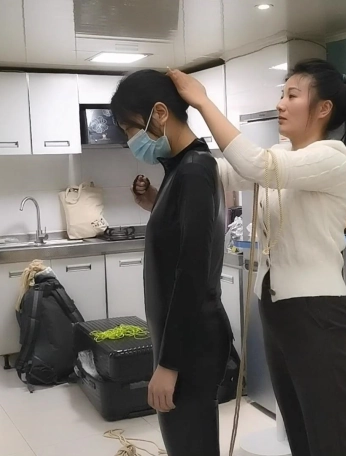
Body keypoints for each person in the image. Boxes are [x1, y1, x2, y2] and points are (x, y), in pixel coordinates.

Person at [165, 59, 346, 456]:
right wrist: (170, 145)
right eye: (282, 94)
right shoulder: (283, 154)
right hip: (276, 309)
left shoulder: (333, 157)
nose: (281, 103)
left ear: (323, 108)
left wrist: (203, 102)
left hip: (315, 311)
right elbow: (221, 173)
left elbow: (258, 166)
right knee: (299, 432)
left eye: (292, 95)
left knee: (329, 439)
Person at [110, 69, 233, 456]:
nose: (130, 140)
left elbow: (191, 273)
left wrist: (169, 364)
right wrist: (155, 203)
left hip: (192, 346)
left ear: (160, 113)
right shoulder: (183, 168)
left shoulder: (193, 170)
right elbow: (184, 235)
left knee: (191, 445)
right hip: (186, 340)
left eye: (130, 129)